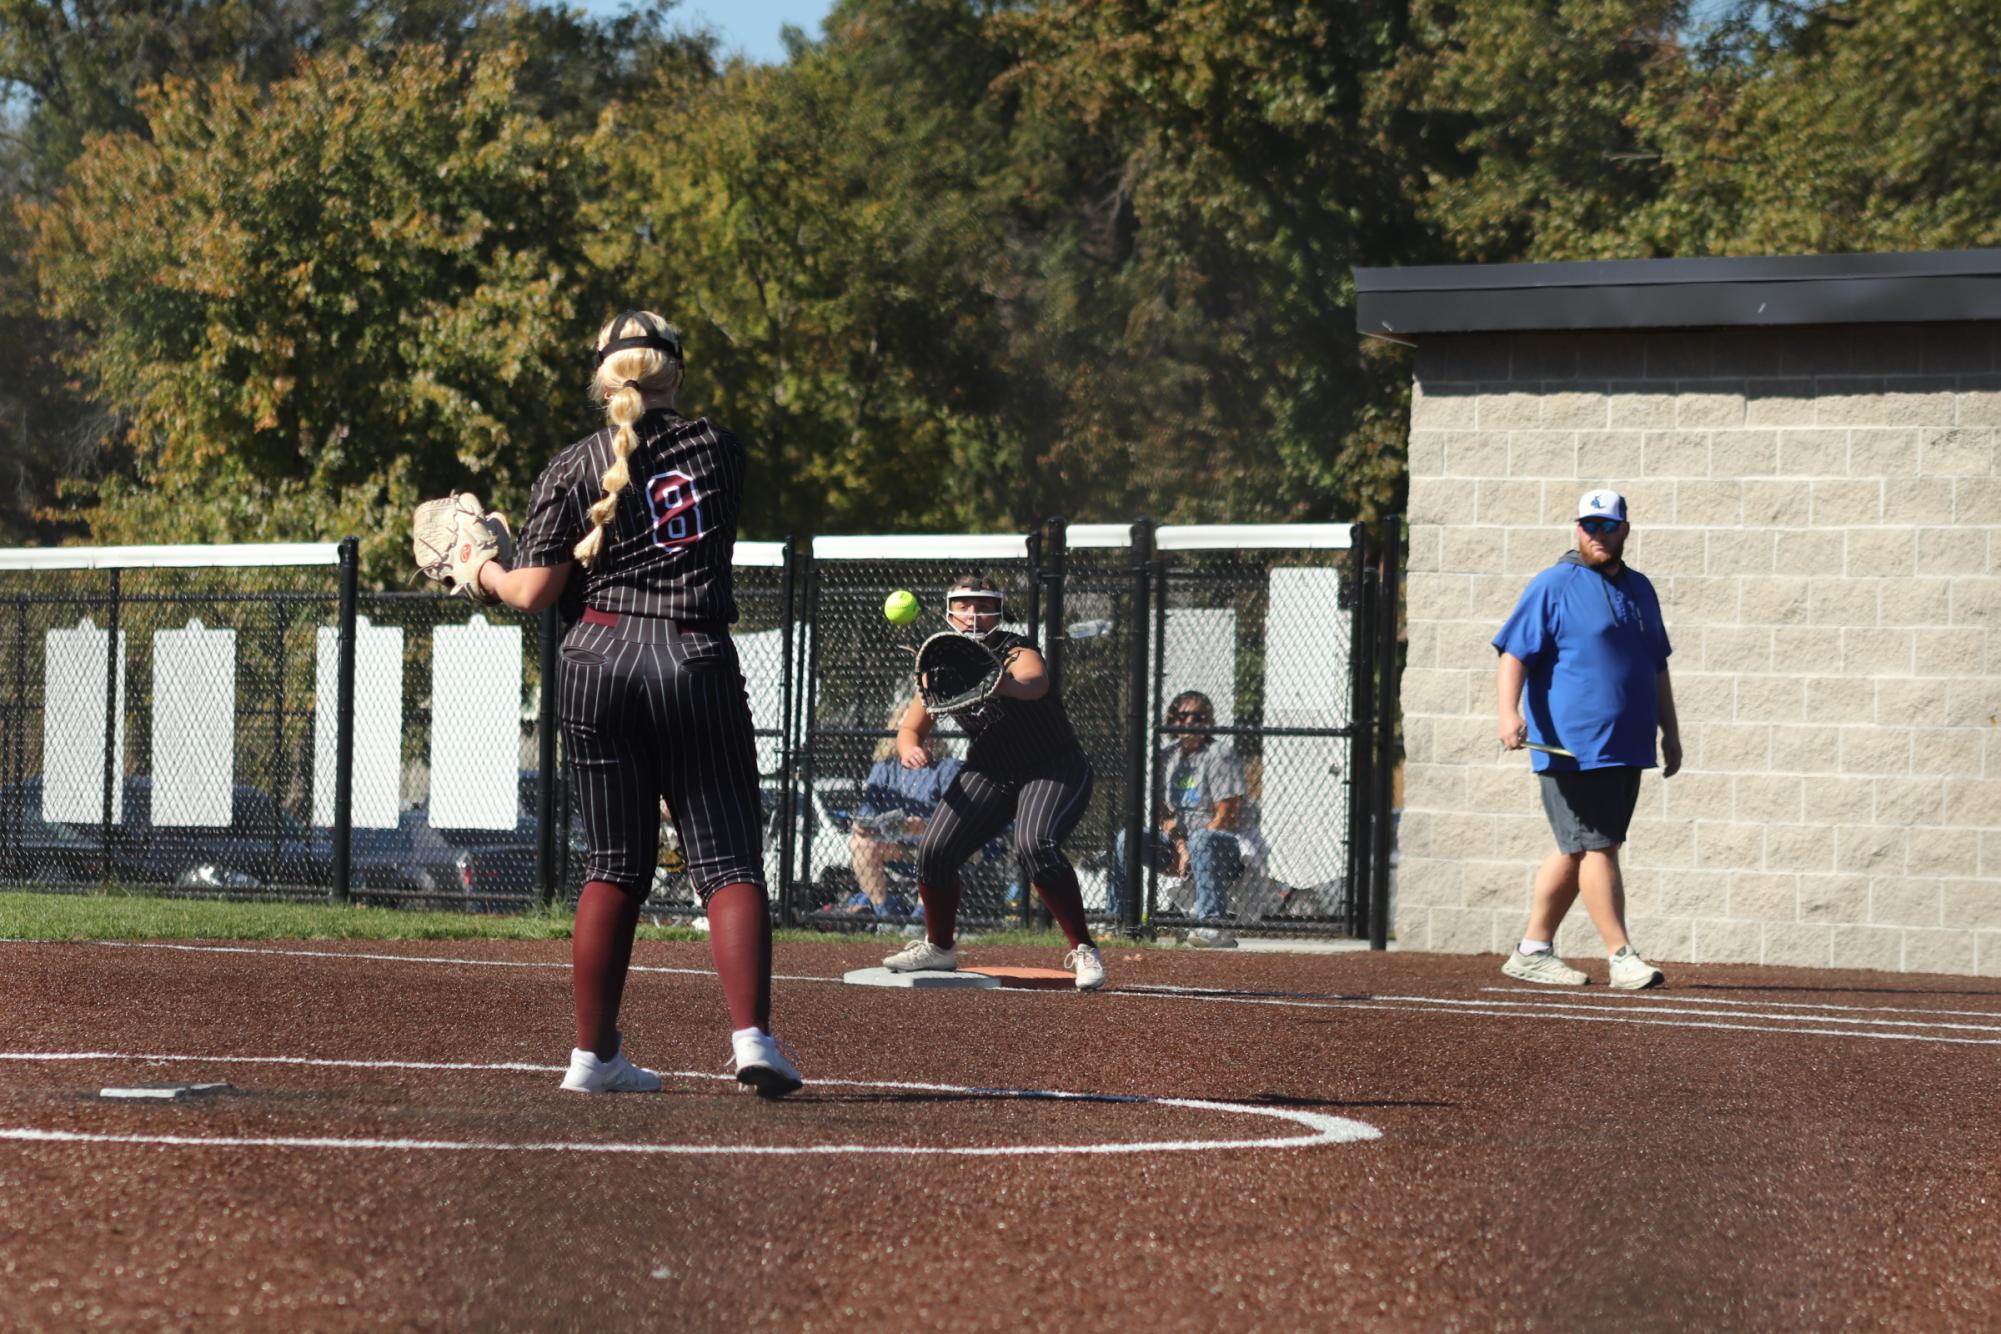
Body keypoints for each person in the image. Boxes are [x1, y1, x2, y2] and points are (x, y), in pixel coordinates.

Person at [461, 309, 801, 1096]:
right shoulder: (719, 450)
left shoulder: (570, 465)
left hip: (596, 660)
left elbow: (535, 594)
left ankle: (591, 1057)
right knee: (725, 862)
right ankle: (751, 1040)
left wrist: (479, 567)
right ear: (674, 375)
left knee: (613, 865)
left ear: (601, 378)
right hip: (691, 655)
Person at [879, 573, 1107, 990]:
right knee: (935, 851)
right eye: (965, 605)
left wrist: (1002, 684)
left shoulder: (1013, 647)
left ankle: (1085, 949)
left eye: (983, 604)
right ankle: (939, 946)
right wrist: (910, 747)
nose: (974, 613)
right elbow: (911, 728)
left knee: (1034, 844)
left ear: (998, 610)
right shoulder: (940, 663)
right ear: (949, 612)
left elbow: (1035, 683)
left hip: (1051, 765)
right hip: (991, 770)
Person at [1493, 488, 1680, 991]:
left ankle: (1533, 949)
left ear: (1625, 529)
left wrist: (1672, 734)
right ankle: (1621, 956)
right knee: (1599, 846)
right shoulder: (1553, 584)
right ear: (1577, 529)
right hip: (1572, 748)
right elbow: (1514, 654)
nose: (1597, 534)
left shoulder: (1640, 588)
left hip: (1627, 745)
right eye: (1588, 525)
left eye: (1607, 525)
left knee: (1578, 847)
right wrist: (1507, 713)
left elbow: (1656, 665)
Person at [1108, 690, 1247, 947]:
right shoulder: (1167, 757)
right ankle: (1119, 920)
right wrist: (1182, 846)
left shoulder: (1220, 755)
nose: (1189, 723)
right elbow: (1163, 813)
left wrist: (1192, 847)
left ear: (1208, 721)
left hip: (1218, 847)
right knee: (1127, 838)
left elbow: (1227, 816)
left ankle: (1212, 925)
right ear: (1172, 719)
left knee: (1203, 839)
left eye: (1197, 717)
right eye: (1183, 716)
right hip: (1177, 845)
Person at [844, 699, 961, 918]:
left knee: (935, 845)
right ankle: (885, 914)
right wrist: (863, 825)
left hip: (929, 843)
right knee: (859, 843)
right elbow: (866, 813)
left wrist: (924, 826)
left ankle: (920, 918)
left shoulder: (945, 767)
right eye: (906, 723)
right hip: (894, 843)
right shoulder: (884, 769)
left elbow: (956, 817)